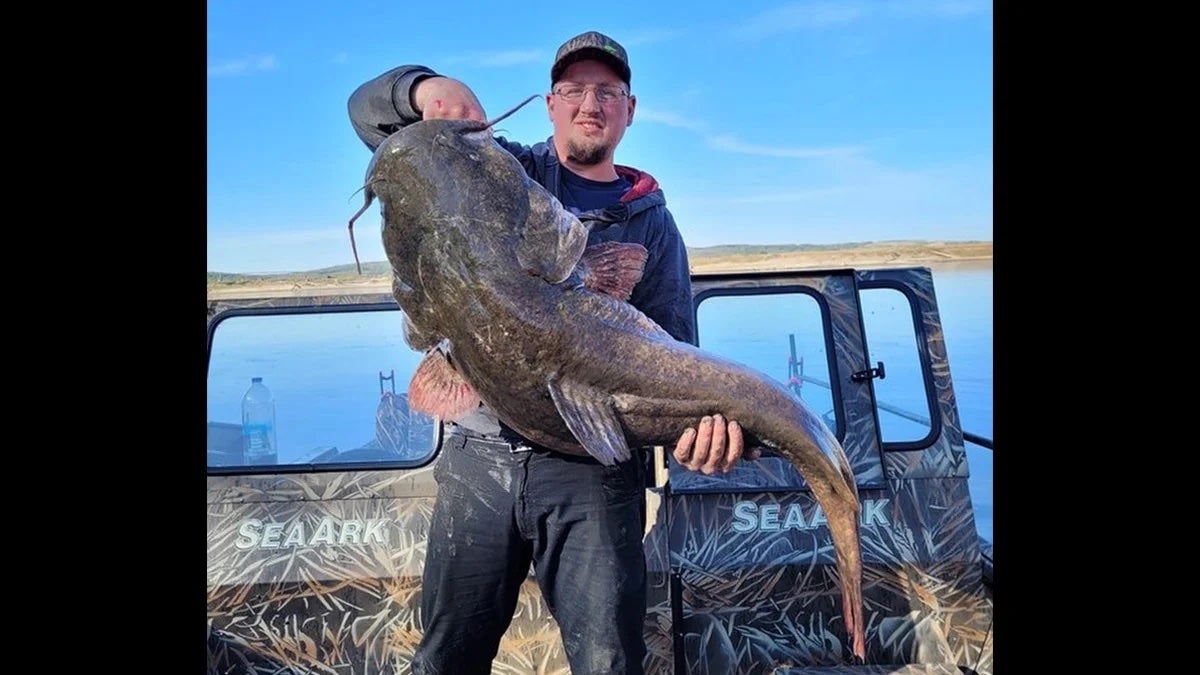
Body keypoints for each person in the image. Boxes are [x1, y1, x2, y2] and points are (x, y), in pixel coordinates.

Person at [347, 30, 758, 675]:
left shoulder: (650, 222)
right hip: (479, 456)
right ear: (549, 104)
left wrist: (696, 434)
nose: (589, 104)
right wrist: (423, 89)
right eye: (573, 90)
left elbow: (674, 353)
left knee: (608, 661)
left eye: (607, 92)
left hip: (592, 470)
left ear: (629, 109)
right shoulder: (495, 167)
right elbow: (373, 121)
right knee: (447, 656)